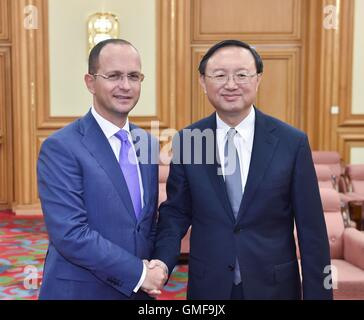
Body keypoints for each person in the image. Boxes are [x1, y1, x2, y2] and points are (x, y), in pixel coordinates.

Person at [150, 40, 333, 299]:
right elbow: (177, 212)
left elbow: (311, 229)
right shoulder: (188, 140)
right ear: (203, 82)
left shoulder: (291, 142)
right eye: (220, 75)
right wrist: (162, 261)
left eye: (242, 74)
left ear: (258, 79)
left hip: (275, 287)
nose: (231, 84)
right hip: (209, 287)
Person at [37, 39, 167, 300]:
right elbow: (70, 233)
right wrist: (139, 274)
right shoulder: (61, 147)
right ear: (90, 82)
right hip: (81, 290)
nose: (125, 86)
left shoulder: (148, 144)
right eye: (114, 76)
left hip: (137, 292)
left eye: (133, 76)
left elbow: (147, 223)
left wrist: (157, 266)